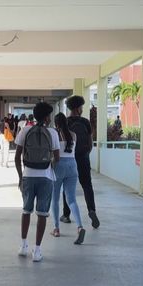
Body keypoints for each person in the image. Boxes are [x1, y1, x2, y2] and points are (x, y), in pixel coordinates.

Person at [15, 102, 60, 262]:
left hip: (28, 175)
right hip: (46, 177)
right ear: (47, 117)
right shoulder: (53, 133)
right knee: (42, 214)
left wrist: (21, 177)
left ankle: (23, 246)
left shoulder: (25, 130)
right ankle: (37, 250)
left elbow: (17, 156)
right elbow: (57, 157)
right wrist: (48, 164)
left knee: (26, 211)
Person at [60, 95, 100, 229]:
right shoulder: (85, 122)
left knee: (67, 187)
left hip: (69, 159)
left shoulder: (65, 122)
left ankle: (66, 215)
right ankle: (91, 210)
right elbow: (90, 143)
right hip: (83, 158)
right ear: (78, 108)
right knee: (87, 185)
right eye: (82, 107)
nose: (82, 109)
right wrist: (85, 155)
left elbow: (62, 142)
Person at [50, 113, 86, 244]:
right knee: (71, 199)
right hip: (72, 165)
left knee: (55, 199)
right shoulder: (74, 135)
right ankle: (80, 226)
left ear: (56, 123)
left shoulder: (55, 135)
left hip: (59, 166)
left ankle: (56, 228)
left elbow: (54, 154)